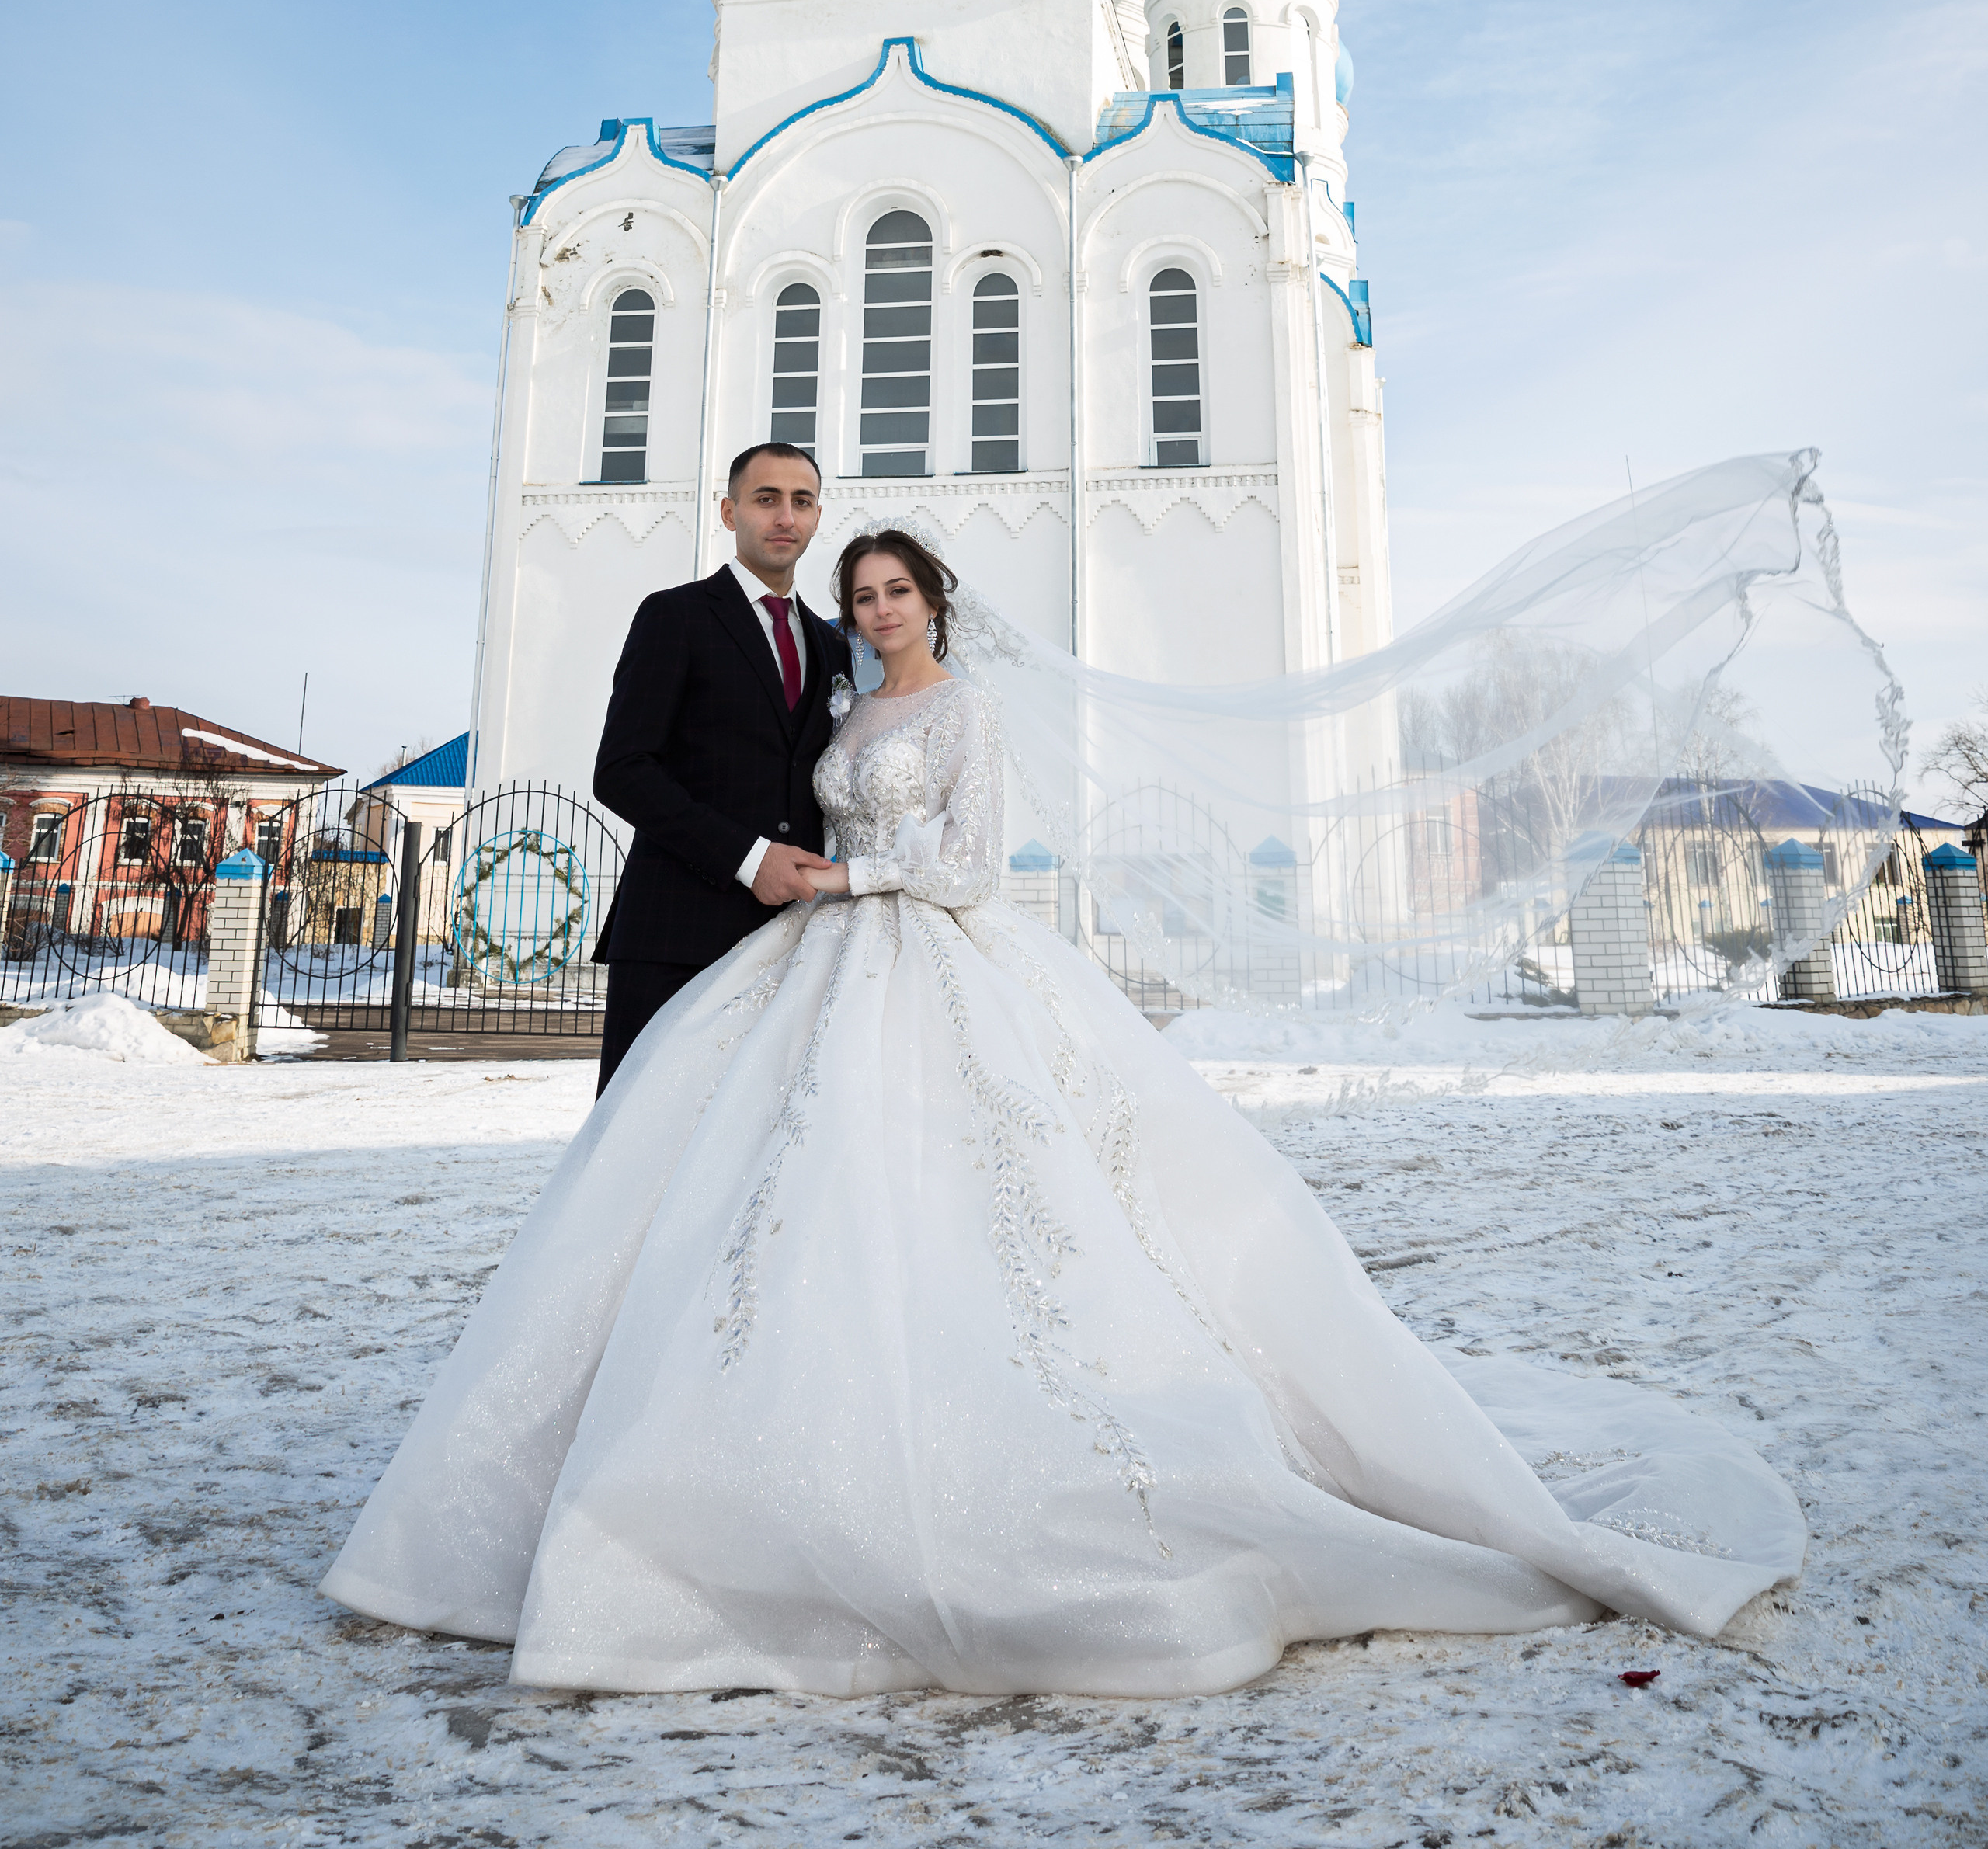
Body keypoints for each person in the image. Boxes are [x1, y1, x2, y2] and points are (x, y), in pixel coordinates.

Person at [321, 527, 1804, 1696]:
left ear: (934, 604)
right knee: (754, 1193)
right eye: (863, 589)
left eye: (896, 588)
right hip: (813, 962)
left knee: (1005, 1204)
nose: (879, 606)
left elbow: (972, 864)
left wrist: (859, 877)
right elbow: (772, 790)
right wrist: (812, 873)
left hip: (924, 949)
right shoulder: (839, 708)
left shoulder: (962, 713)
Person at [586, 440, 850, 1093]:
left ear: (818, 516)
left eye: (802, 501)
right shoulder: (673, 616)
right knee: (641, 1147)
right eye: (766, 499)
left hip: (792, 938)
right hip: (676, 933)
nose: (785, 515)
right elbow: (621, 769)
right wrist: (748, 856)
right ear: (730, 513)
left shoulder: (831, 644)